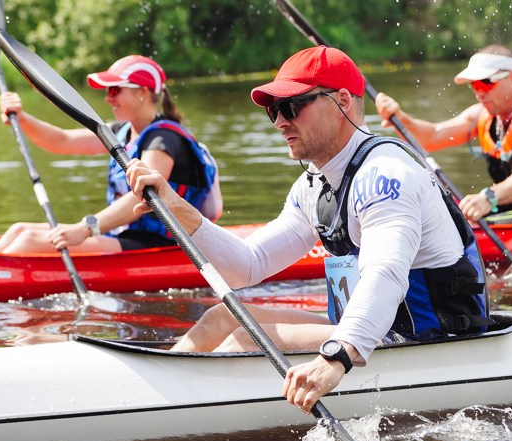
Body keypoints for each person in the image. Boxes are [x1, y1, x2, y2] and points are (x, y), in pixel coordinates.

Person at [126, 45, 488, 414]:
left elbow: (386, 275)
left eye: (292, 106)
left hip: (430, 341)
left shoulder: (386, 175)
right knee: (222, 316)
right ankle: (150, 398)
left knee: (243, 342)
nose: (279, 122)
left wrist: (335, 358)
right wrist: (180, 210)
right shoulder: (313, 186)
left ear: (342, 101)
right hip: (370, 333)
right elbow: (247, 265)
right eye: (274, 110)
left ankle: (160, 414)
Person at [0, 54, 220, 254]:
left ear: (142, 92)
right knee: (19, 230)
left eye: (115, 90)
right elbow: (62, 141)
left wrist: (85, 228)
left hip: (163, 244)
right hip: (124, 234)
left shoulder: (164, 140)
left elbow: (140, 197)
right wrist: (21, 118)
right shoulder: (120, 131)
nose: (108, 98)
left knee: (29, 241)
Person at [373, 45, 512, 223]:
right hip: (511, 213)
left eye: (486, 83)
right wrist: (400, 118)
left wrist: (488, 198)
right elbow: (432, 137)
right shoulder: (482, 116)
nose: (479, 93)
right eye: (474, 85)